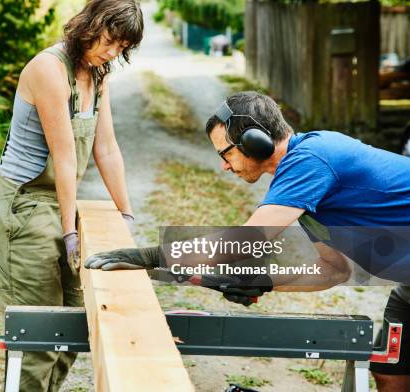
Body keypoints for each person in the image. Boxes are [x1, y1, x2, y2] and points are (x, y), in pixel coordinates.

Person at [85, 91, 410, 391]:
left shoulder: (313, 158)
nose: (225, 166)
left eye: (225, 153)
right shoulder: (307, 179)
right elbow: (333, 269)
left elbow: (247, 239)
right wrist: (263, 281)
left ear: (256, 142)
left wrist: (153, 256)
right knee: (390, 373)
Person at [0, 0, 143, 392]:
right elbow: (65, 156)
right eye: (108, 39)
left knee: (74, 326)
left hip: (57, 201)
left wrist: (126, 217)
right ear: (89, 24)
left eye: (121, 47)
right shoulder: (48, 69)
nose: (111, 52)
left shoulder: (99, 75)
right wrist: (69, 231)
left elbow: (106, 148)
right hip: (21, 207)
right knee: (39, 336)